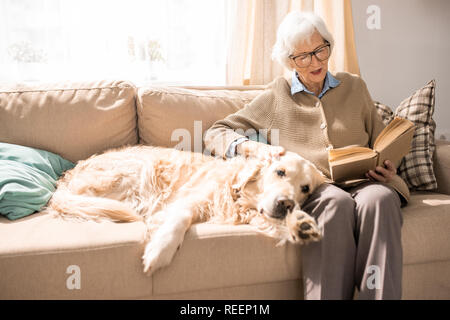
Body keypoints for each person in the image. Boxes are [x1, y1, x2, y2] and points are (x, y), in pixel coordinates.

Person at [203, 11, 409, 300]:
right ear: (290, 61)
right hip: (317, 187)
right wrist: (254, 148)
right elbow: (216, 131)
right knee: (335, 203)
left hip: (364, 181)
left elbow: (380, 140)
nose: (316, 61)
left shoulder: (355, 86)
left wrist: (388, 167)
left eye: (321, 50)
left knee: (382, 199)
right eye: (304, 56)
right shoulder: (278, 95)